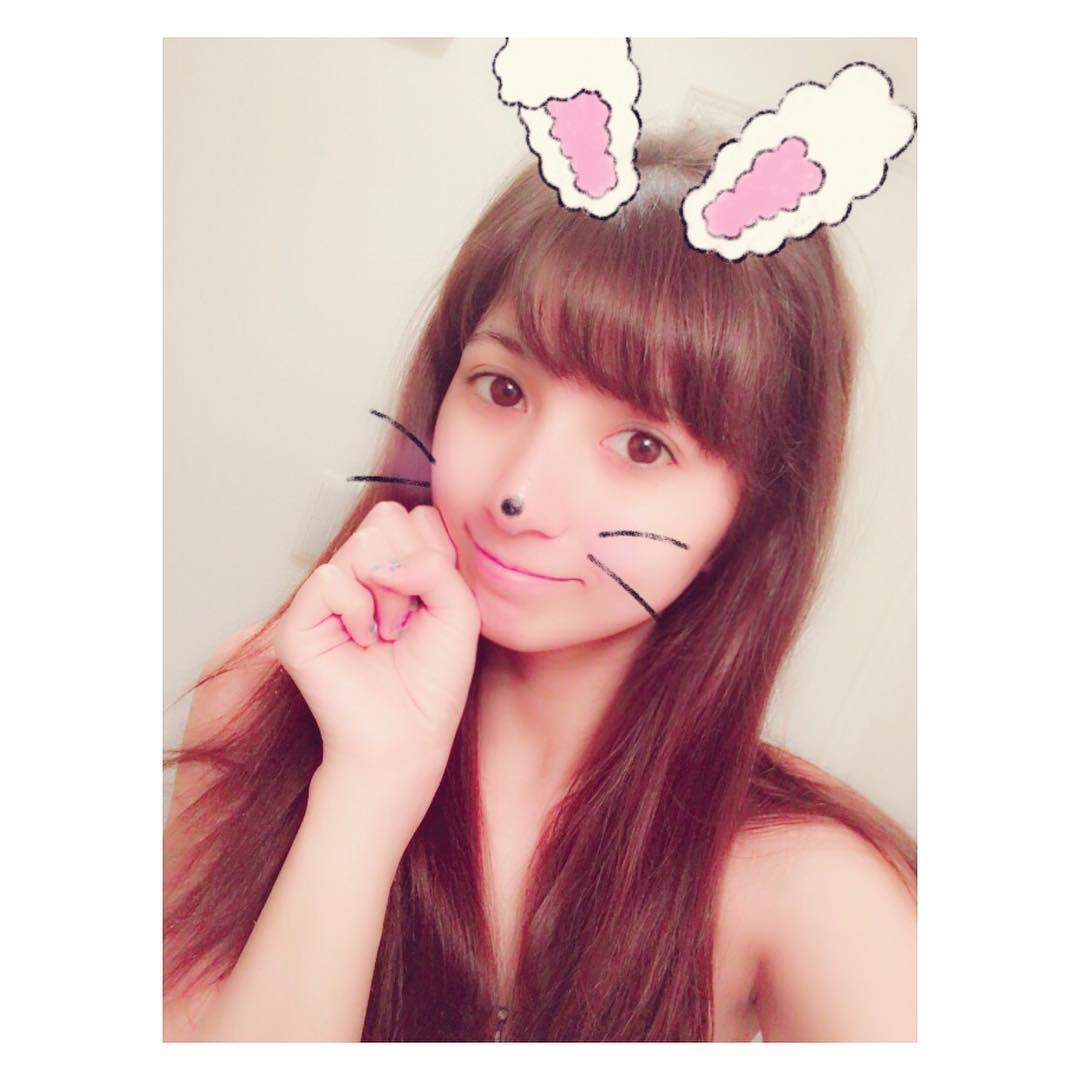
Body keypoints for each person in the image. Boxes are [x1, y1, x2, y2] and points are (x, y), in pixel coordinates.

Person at [163, 127, 916, 1042]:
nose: (519, 493)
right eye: (503, 390)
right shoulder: (261, 698)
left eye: (643, 445)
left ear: (748, 519)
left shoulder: (805, 882)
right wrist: (367, 786)